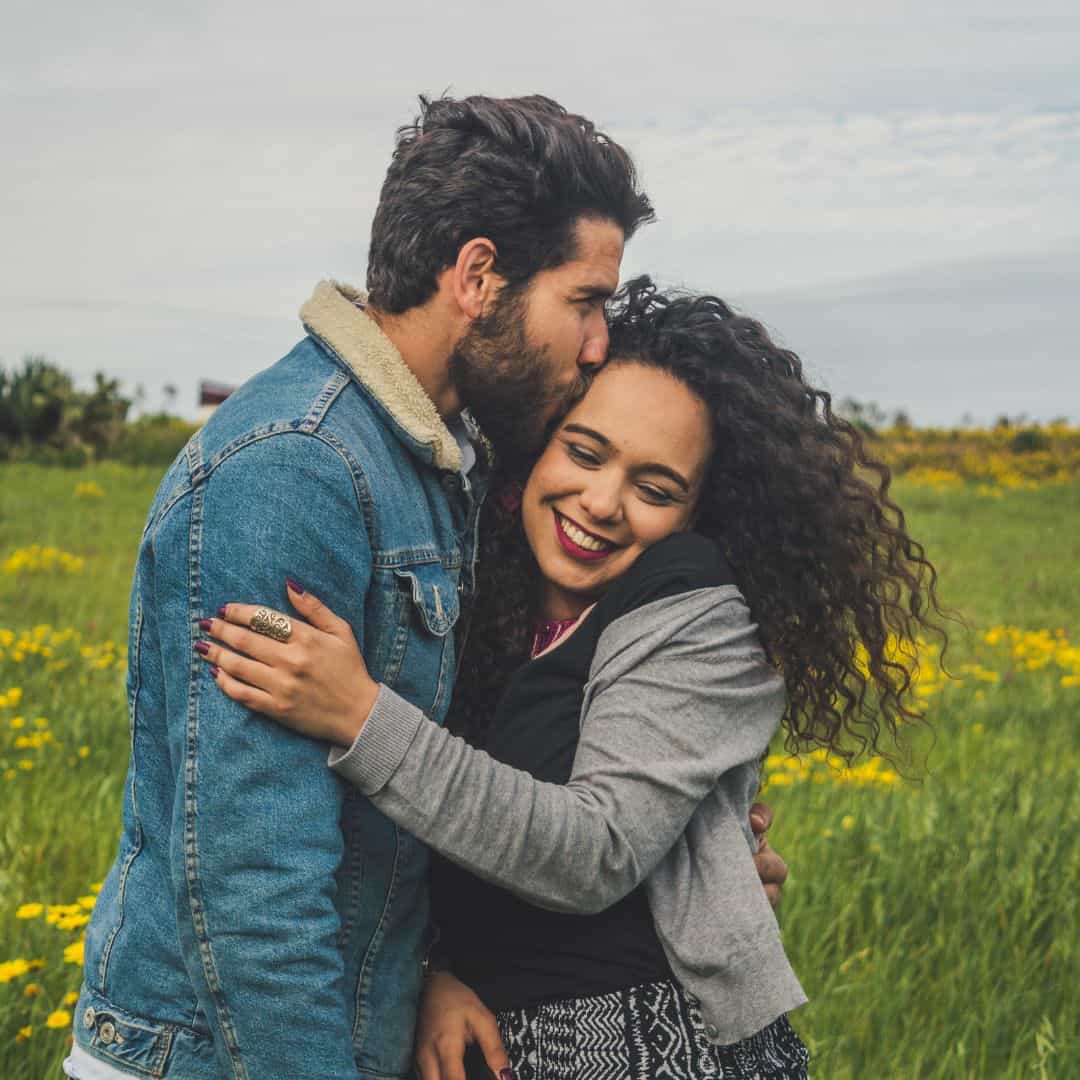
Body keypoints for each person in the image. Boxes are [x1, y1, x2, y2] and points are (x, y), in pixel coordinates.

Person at [66, 98, 787, 1080]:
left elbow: (410, 818)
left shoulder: (445, 461)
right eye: (584, 302)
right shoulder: (296, 469)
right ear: (479, 277)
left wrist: (432, 969)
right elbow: (250, 889)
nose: (596, 345)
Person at [199, 280, 946, 1078]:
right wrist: (428, 973)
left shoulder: (697, 608)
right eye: (585, 453)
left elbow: (592, 851)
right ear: (533, 449)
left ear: (696, 515)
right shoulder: (472, 597)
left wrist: (358, 715)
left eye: (655, 490)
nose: (602, 502)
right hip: (472, 1038)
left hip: (654, 1046)